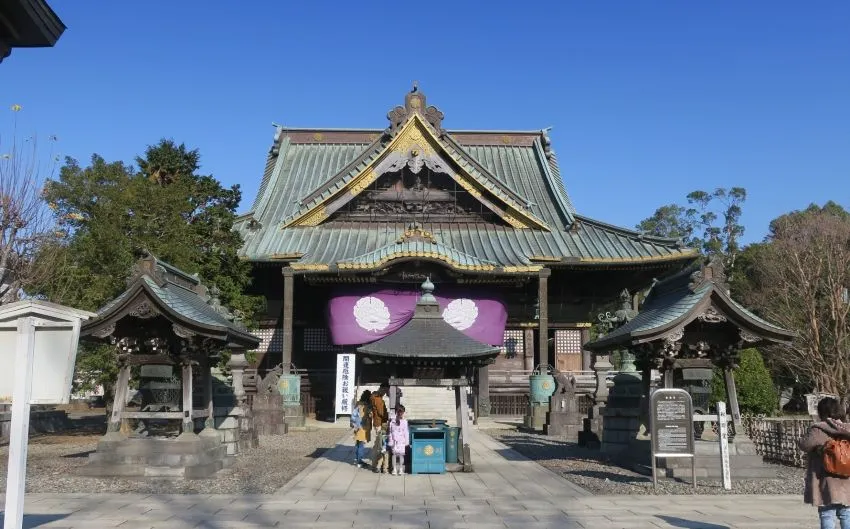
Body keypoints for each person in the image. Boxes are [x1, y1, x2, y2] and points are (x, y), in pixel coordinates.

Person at [799, 397, 850, 529]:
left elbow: (805, 444)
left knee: (827, 514)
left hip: (824, 478)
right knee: (846, 513)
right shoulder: (847, 429)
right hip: (847, 479)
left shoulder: (818, 429)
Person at [351, 390, 373, 468]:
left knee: (357, 443)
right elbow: (370, 416)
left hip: (357, 426)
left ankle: (357, 459)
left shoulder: (358, 404)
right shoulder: (367, 406)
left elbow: (353, 416)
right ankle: (359, 461)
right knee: (361, 444)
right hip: (363, 427)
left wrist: (354, 425)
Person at [388, 404, 410, 476]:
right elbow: (406, 432)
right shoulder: (401, 421)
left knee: (395, 455)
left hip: (396, 441)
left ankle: (396, 469)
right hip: (399, 441)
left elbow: (391, 432)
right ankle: (399, 469)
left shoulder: (393, 421)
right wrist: (407, 442)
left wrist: (391, 441)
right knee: (400, 455)